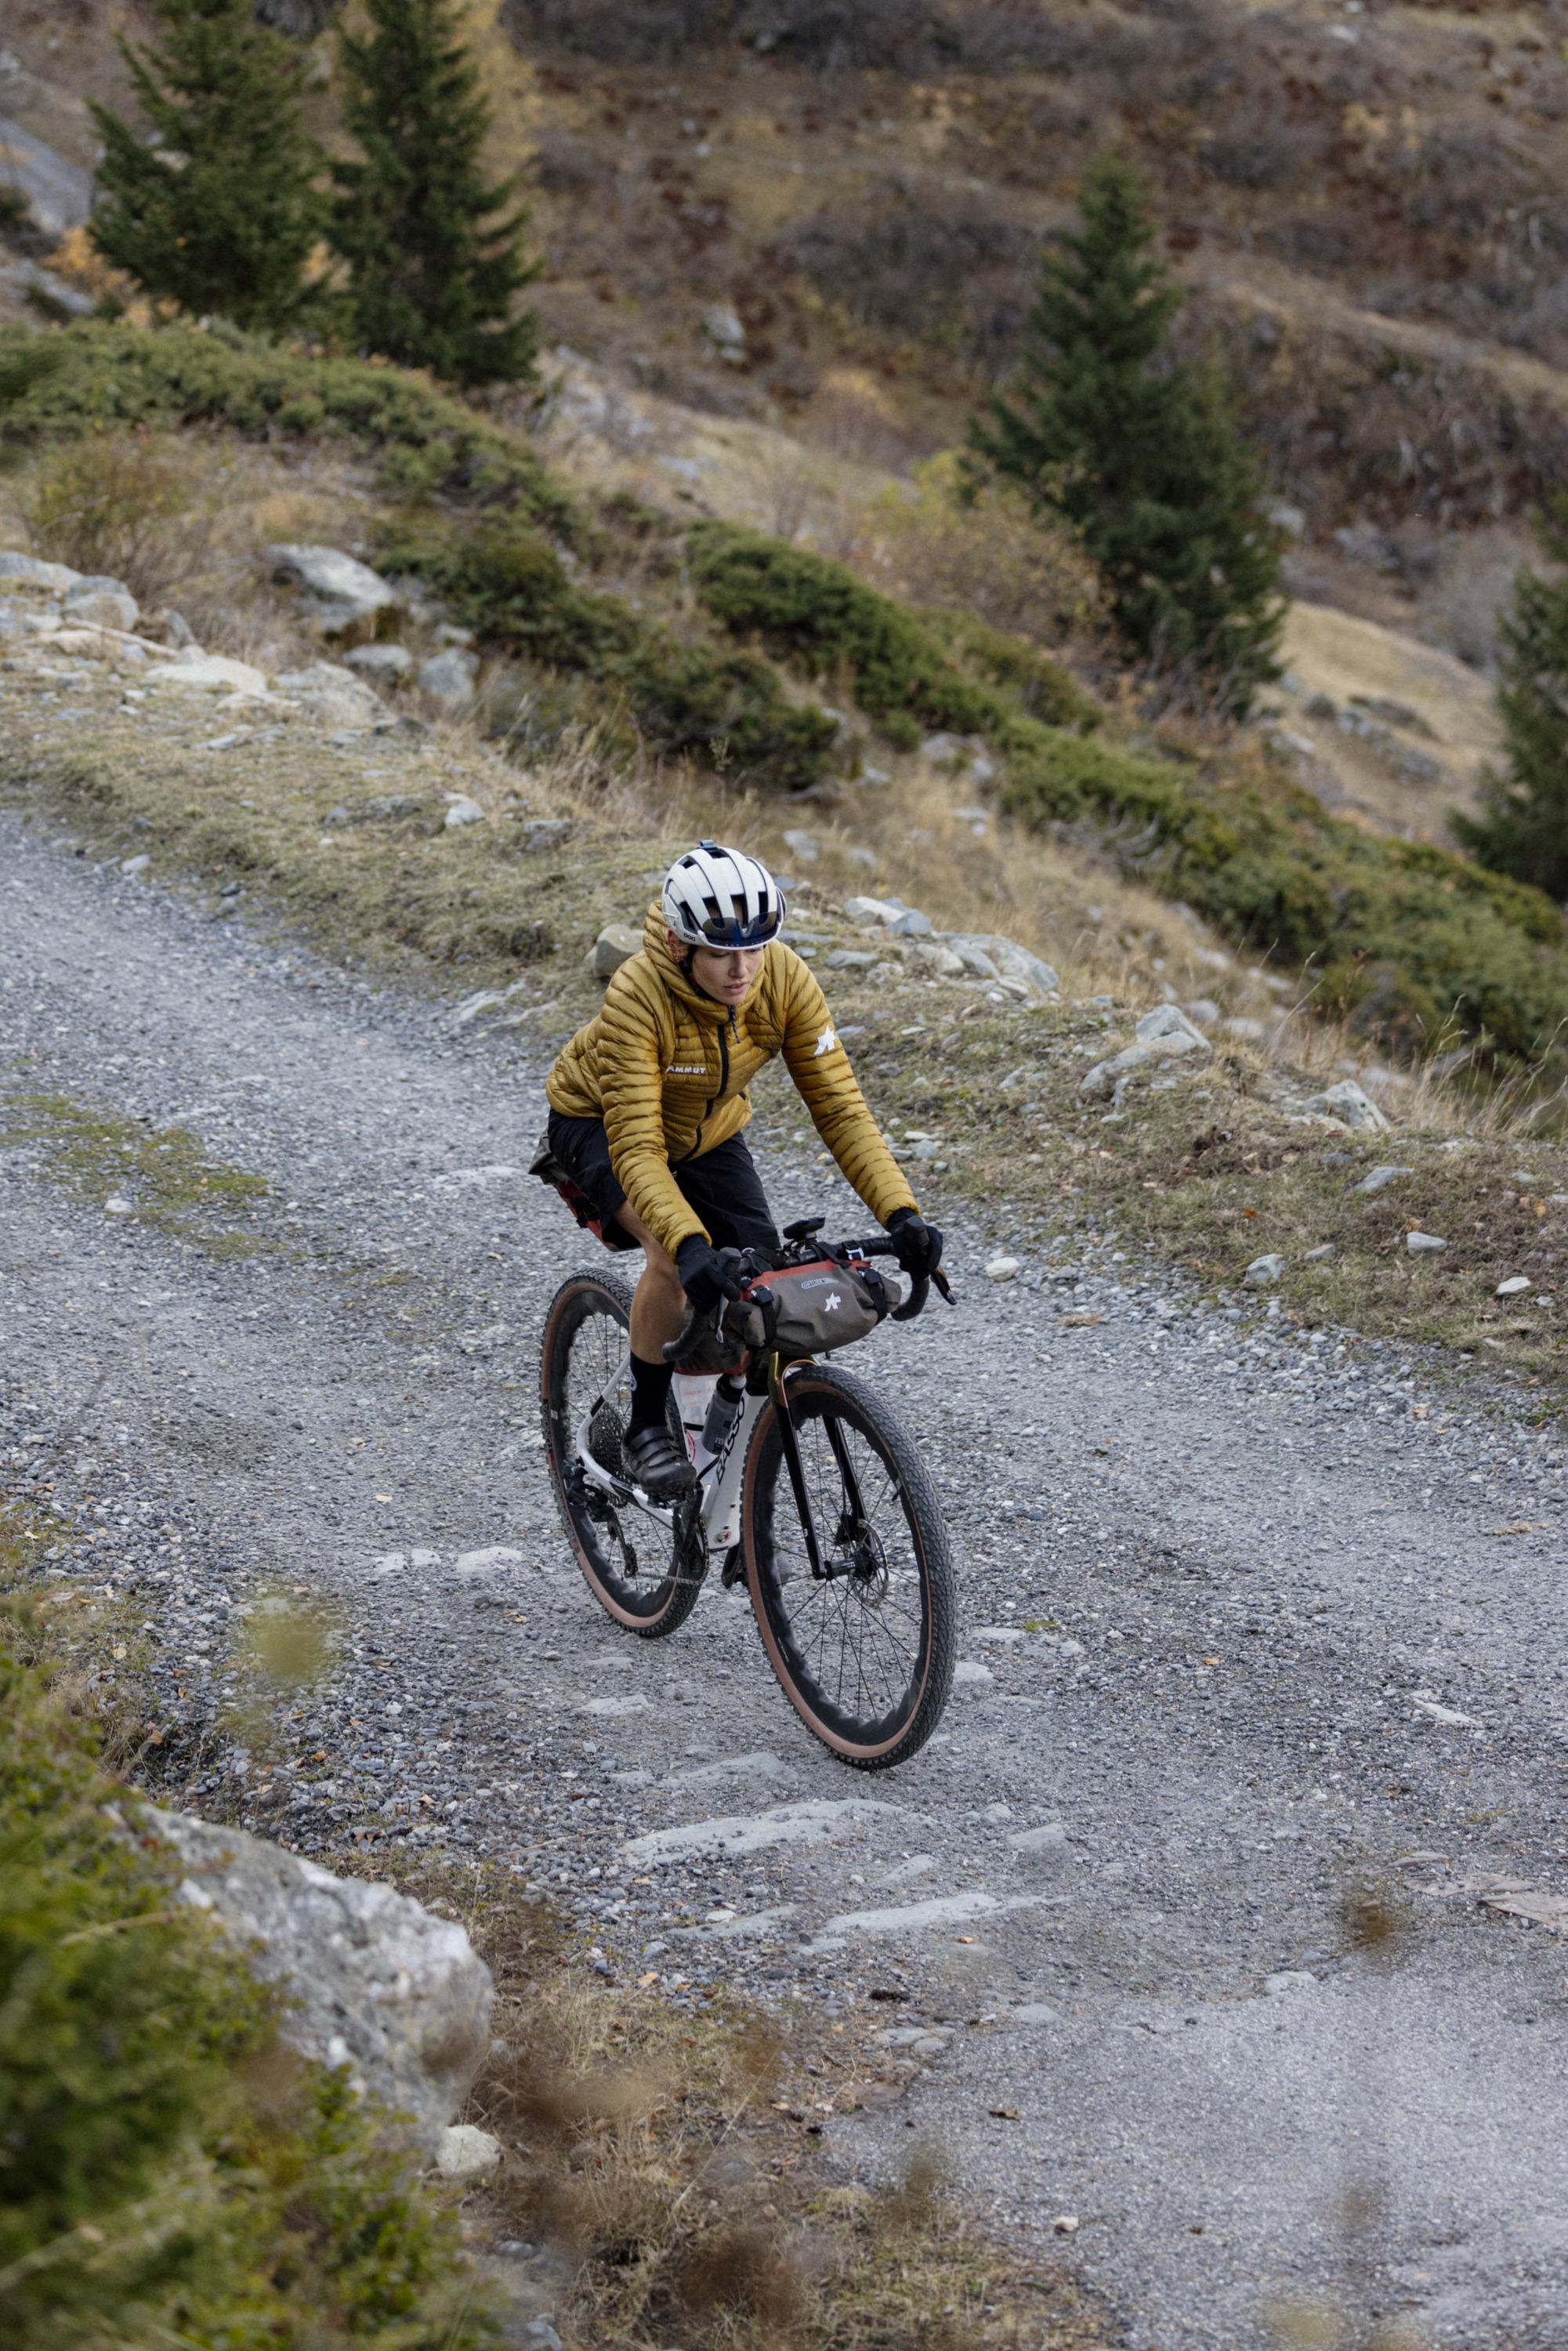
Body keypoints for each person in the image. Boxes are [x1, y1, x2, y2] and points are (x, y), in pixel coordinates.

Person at [542, 841, 943, 1497]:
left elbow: (840, 1109)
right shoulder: (637, 994)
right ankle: (645, 1424)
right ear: (679, 948)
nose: (742, 971)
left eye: (754, 949)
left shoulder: (783, 979)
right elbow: (639, 1148)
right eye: (722, 955)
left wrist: (901, 1213)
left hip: (709, 1128)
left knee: (763, 1283)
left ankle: (716, 1465)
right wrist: (689, 1241)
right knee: (675, 1258)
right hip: (600, 1122)